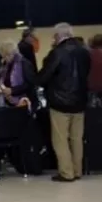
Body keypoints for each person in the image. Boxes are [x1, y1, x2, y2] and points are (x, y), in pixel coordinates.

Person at [34, 22, 90, 182]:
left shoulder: (57, 53)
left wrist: (39, 81)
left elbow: (45, 76)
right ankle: (78, 170)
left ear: (59, 36)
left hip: (60, 102)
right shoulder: (84, 52)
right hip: (80, 101)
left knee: (60, 139)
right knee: (76, 138)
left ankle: (67, 172)